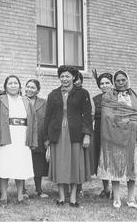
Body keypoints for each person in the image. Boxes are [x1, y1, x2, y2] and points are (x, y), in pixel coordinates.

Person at [97, 70, 137, 209]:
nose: (121, 83)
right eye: (118, 80)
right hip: (115, 138)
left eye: (123, 80)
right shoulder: (108, 97)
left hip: (133, 139)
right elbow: (109, 117)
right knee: (116, 168)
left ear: (127, 80)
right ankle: (116, 199)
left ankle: (131, 199)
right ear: (114, 82)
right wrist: (132, 124)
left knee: (131, 168)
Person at [44, 65, 92, 208]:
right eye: (62, 76)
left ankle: (72, 197)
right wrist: (46, 138)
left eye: (67, 76)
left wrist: (87, 135)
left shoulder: (82, 93)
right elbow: (47, 117)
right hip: (57, 133)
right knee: (60, 164)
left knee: (74, 164)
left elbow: (87, 116)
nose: (64, 79)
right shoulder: (53, 94)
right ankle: (61, 197)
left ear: (73, 77)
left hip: (75, 133)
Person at [0, 75, 34, 206]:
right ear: (5, 86)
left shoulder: (26, 101)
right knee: (5, 166)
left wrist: (32, 140)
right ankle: (4, 195)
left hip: (22, 136)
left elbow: (33, 123)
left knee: (20, 166)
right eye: (10, 83)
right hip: (5, 137)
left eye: (15, 83)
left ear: (20, 86)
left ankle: (20, 195)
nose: (13, 85)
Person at [91, 71, 114, 198]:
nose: (104, 85)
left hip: (114, 131)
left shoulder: (117, 97)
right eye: (102, 83)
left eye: (107, 83)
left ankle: (114, 188)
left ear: (112, 84)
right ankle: (106, 188)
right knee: (102, 159)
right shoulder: (95, 99)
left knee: (113, 159)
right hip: (100, 131)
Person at [24, 79, 48, 198]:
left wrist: (46, 138)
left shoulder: (44, 103)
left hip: (39, 137)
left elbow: (47, 120)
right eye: (27, 87)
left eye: (33, 87)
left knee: (38, 164)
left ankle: (39, 189)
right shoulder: (20, 101)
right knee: (22, 163)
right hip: (23, 137)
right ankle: (22, 190)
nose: (29, 89)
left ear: (38, 90)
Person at [73, 72, 95, 197]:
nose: (76, 82)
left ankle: (79, 187)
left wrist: (86, 133)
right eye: (74, 79)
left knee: (80, 161)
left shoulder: (85, 94)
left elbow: (89, 116)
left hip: (81, 131)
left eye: (78, 80)